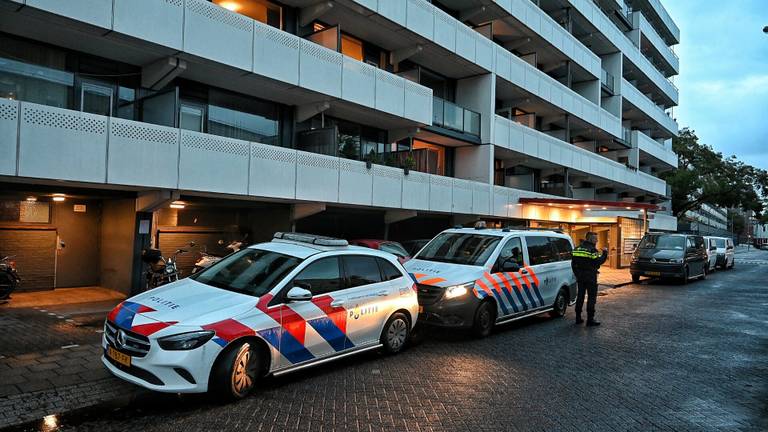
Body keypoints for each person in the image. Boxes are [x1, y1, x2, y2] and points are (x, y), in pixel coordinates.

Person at [571, 232, 608, 327]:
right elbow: (598, 262)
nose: (597, 240)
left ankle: (578, 318)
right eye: (595, 239)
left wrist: (577, 274)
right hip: (591, 277)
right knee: (591, 298)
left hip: (580, 277)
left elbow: (573, 264)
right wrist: (605, 252)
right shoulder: (592, 250)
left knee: (580, 297)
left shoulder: (577, 249)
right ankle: (590, 320)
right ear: (591, 239)